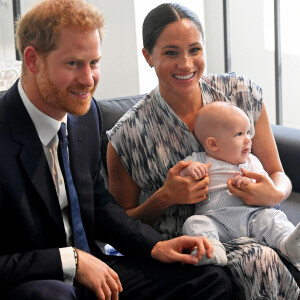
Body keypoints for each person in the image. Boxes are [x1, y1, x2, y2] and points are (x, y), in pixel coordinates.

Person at [0, 0, 235, 299]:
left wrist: (154, 245)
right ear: (32, 60)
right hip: (37, 281)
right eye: (73, 64)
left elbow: (99, 205)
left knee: (209, 278)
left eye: (94, 63)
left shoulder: (84, 116)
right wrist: (69, 260)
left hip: (95, 271)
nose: (88, 80)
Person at [106, 2, 300, 299]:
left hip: (256, 222)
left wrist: (274, 194)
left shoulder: (242, 94)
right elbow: (119, 225)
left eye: (195, 50)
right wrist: (165, 197)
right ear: (148, 56)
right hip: (192, 242)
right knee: (259, 260)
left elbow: (278, 173)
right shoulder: (128, 135)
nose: (186, 64)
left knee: (267, 247)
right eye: (171, 52)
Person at [180, 101, 300, 271]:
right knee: (194, 222)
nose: (248, 139)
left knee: (272, 217)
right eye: (239, 134)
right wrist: (190, 170)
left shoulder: (252, 161)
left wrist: (251, 184)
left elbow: (266, 187)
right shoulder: (200, 160)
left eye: (248, 132)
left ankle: (288, 243)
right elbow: (179, 173)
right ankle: (213, 249)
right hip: (216, 220)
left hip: (252, 217)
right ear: (213, 144)